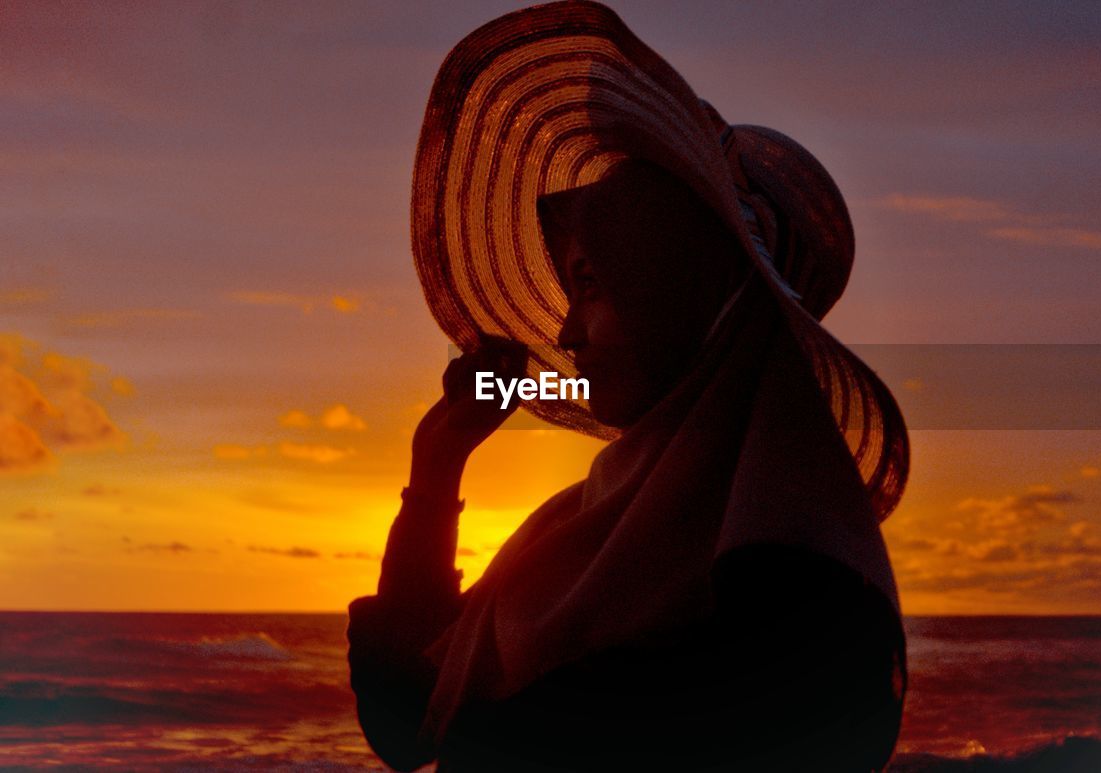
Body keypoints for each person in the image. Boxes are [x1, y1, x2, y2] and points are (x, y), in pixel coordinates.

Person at [347, 3, 910, 771]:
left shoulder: (805, 594)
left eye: (592, 284)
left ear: (680, 293)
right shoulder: (573, 532)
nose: (567, 334)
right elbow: (405, 716)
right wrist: (437, 462)